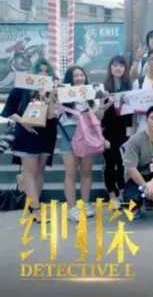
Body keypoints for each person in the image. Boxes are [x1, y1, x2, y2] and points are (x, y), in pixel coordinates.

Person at [1, 58, 58, 223]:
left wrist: (49, 97)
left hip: (47, 133)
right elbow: (9, 110)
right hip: (26, 132)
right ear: (34, 71)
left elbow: (51, 116)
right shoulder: (23, 85)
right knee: (30, 171)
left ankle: (34, 204)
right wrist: (23, 122)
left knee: (40, 171)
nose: (43, 74)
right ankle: (37, 209)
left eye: (47, 71)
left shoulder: (52, 88)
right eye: (40, 70)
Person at [56, 66, 107, 222]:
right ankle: (72, 208)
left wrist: (102, 101)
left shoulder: (91, 92)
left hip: (87, 134)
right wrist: (52, 97)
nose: (79, 78)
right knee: (70, 172)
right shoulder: (62, 93)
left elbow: (99, 116)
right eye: (75, 76)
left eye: (81, 75)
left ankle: (85, 203)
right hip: (69, 133)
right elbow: (54, 114)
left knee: (86, 171)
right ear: (70, 79)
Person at [101, 55, 132, 210]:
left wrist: (130, 132)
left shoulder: (129, 86)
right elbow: (98, 112)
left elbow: (132, 111)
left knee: (122, 163)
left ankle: (122, 192)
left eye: (121, 65)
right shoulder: (103, 87)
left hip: (124, 131)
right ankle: (112, 195)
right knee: (109, 163)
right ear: (110, 67)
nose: (118, 68)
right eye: (115, 65)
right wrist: (109, 102)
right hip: (107, 131)